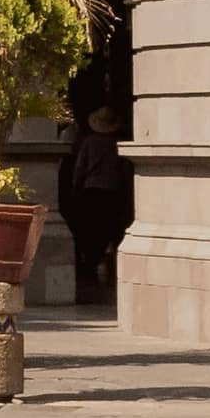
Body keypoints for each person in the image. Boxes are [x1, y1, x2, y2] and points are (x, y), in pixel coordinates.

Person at [56, 103, 133, 309]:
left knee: (91, 238)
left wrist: (75, 188)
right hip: (113, 194)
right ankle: (106, 281)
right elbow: (124, 171)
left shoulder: (89, 143)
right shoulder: (117, 144)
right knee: (110, 235)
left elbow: (80, 168)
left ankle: (91, 283)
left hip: (91, 193)